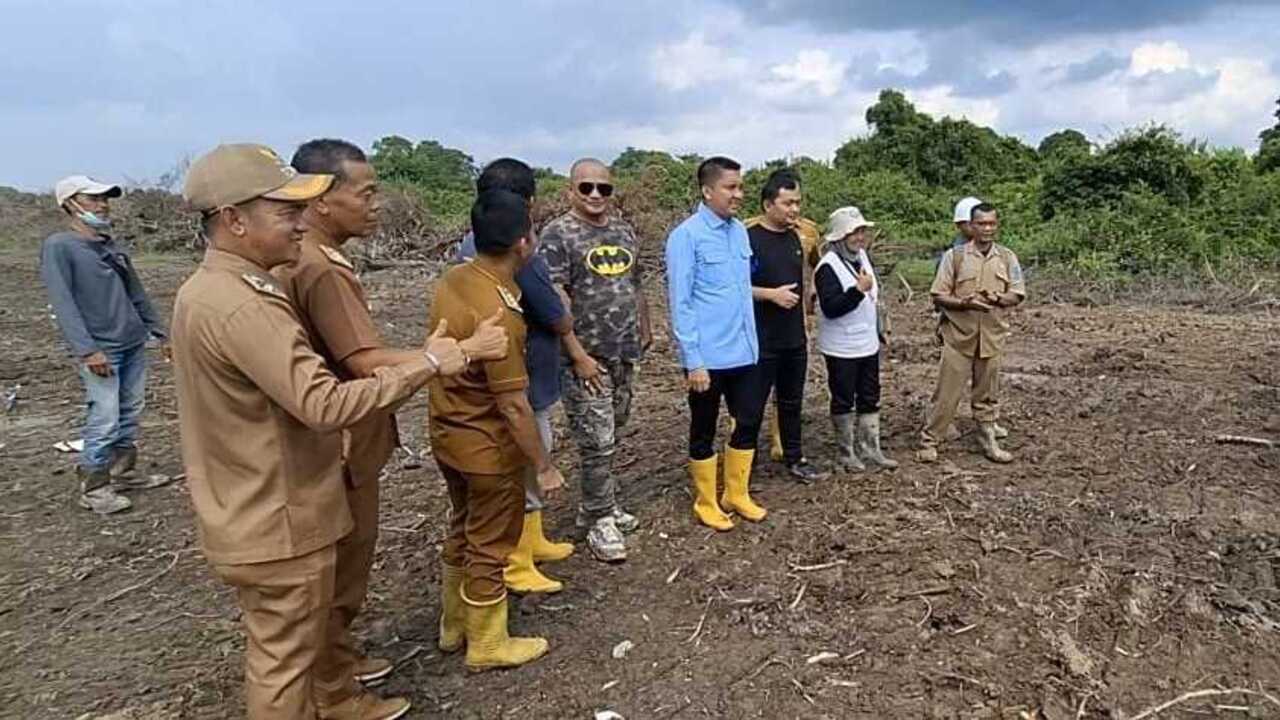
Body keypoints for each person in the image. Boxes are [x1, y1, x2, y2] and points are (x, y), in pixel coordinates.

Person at [173, 143, 486, 720]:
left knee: (286, 653)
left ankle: (335, 695)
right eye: (285, 212)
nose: (300, 223)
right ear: (233, 219)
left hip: (254, 507)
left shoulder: (214, 291)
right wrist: (433, 363)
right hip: (279, 516)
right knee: (283, 668)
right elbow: (323, 402)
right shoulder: (244, 306)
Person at [273, 139, 507, 711]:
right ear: (322, 200)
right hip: (340, 443)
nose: (377, 203)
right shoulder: (320, 268)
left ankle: (339, 660)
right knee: (339, 568)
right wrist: (457, 353)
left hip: (336, 438)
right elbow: (363, 361)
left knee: (345, 564)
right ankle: (333, 691)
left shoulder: (314, 258)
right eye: (367, 192)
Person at [429, 188, 556, 671]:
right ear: (524, 243)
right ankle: (487, 643)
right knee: (490, 541)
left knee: (462, 527)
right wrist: (542, 466)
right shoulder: (499, 309)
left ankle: (454, 624)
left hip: (448, 433)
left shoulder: (455, 278)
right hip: (486, 444)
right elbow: (514, 405)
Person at [455, 158, 577, 592]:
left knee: (520, 468)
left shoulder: (470, 250)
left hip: (516, 381)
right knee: (524, 466)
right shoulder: (509, 253)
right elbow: (549, 306)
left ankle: (533, 540)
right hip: (517, 384)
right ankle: (518, 562)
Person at [539, 158, 652, 562]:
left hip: (623, 350)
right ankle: (600, 518)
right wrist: (577, 355)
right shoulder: (558, 234)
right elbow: (554, 299)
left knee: (614, 432)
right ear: (571, 190)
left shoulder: (622, 230)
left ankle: (598, 505)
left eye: (603, 188)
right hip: (585, 356)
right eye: (586, 187)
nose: (595, 196)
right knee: (596, 440)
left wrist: (645, 325)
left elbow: (634, 282)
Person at [40, 175, 169, 515]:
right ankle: (94, 487)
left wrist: (161, 332)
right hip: (101, 348)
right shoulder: (60, 246)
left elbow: (136, 294)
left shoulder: (111, 245)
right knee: (105, 415)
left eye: (104, 199)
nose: (102, 204)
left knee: (129, 412)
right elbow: (63, 302)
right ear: (70, 204)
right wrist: (87, 350)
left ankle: (120, 474)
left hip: (132, 341)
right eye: (93, 198)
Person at [665, 156, 765, 531]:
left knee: (749, 420)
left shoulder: (739, 231)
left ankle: (736, 493)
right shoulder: (686, 237)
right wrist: (694, 361)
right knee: (703, 427)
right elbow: (681, 302)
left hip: (744, 350)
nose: (739, 194)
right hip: (708, 356)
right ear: (708, 191)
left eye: (740, 187)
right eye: (731, 187)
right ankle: (706, 500)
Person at [918, 203, 1025, 464]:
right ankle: (930, 441)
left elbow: (1018, 293)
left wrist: (999, 298)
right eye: (981, 224)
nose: (987, 228)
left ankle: (987, 438)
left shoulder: (1007, 257)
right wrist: (966, 303)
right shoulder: (954, 257)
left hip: (992, 336)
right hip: (958, 337)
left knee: (988, 394)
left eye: (991, 223)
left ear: (996, 226)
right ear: (971, 226)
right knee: (947, 394)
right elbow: (939, 294)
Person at [742, 169, 826, 483]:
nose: (794, 210)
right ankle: (743, 464)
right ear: (767, 205)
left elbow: (815, 266)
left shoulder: (800, 235)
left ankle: (795, 457)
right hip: (759, 338)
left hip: (794, 336)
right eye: (787, 203)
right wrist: (769, 295)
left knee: (792, 402)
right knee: (751, 406)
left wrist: (811, 291)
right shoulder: (746, 238)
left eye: (798, 203)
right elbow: (731, 287)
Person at [814, 207, 898, 472]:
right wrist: (857, 291)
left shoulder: (861, 257)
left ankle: (871, 449)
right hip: (841, 347)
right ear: (839, 237)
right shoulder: (827, 267)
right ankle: (846, 452)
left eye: (862, 231)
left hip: (867, 343)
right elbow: (831, 307)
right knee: (842, 398)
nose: (860, 237)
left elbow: (874, 298)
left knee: (870, 396)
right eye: (854, 233)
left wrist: (880, 325)